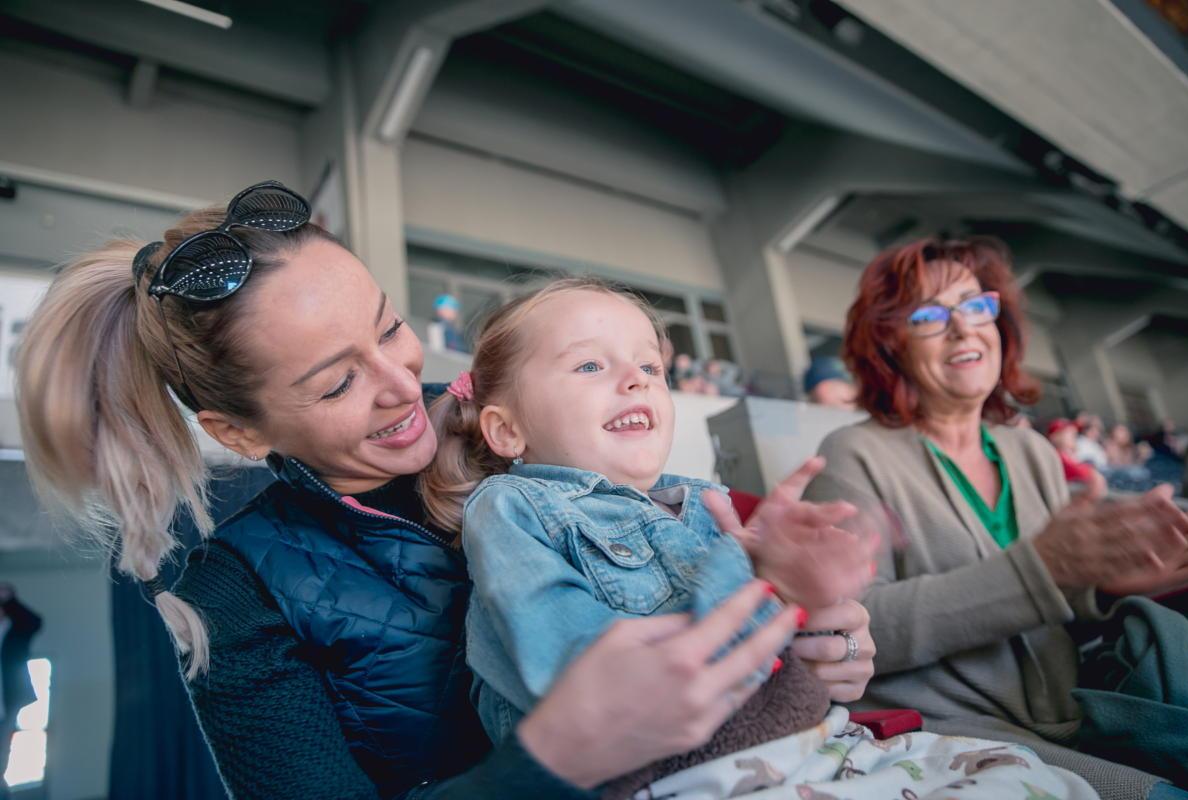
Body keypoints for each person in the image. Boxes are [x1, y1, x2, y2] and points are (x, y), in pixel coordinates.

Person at [14, 180, 871, 800]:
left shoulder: (524, 422)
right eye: (336, 382)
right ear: (240, 433)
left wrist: (819, 632)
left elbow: (695, 579)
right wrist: (553, 760)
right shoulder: (236, 593)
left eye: (390, 326)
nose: (402, 384)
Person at [420, 278, 1098, 800]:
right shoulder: (510, 506)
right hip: (675, 778)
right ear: (506, 431)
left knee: (1032, 777)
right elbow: (577, 671)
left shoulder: (700, 498)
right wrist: (757, 575)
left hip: (803, 744)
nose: (634, 379)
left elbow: (790, 659)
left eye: (650, 367)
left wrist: (820, 608)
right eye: (590, 367)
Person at [803, 236, 1188, 800]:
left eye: (975, 306)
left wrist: (1101, 591)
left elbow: (1057, 598)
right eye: (930, 315)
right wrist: (1043, 570)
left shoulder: (1026, 449)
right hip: (953, 730)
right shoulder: (851, 453)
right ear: (889, 342)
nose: (963, 328)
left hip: (1075, 710)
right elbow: (856, 626)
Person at [0, 584, 42, 800]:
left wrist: (9, 599)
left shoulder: (16, 629)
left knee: (2, 755)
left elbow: (34, 622)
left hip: (6, 705)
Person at [1047, 418, 1108, 498]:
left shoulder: (1070, 455)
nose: (1074, 434)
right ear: (1056, 436)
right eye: (1068, 432)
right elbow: (1090, 475)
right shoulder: (1057, 456)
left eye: (1074, 432)